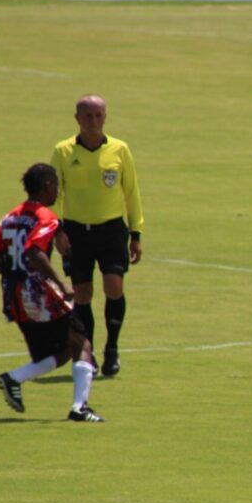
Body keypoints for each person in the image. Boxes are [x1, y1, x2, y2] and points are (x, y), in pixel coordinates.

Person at [0, 163, 104, 422]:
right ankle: (79, 409)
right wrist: (62, 286)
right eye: (56, 186)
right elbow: (34, 251)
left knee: (63, 350)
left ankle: (15, 378)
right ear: (47, 186)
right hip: (39, 293)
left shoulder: (10, 217)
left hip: (13, 294)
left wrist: (13, 277)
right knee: (82, 341)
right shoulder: (45, 217)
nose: (58, 192)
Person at [51, 94, 143, 378]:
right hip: (77, 232)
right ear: (77, 118)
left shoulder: (120, 149)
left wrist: (136, 232)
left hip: (112, 230)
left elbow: (131, 192)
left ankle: (112, 349)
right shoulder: (64, 151)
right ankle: (87, 353)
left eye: (98, 115)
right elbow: (55, 194)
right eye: (88, 116)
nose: (93, 121)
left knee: (114, 287)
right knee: (83, 293)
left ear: (105, 117)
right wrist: (57, 230)